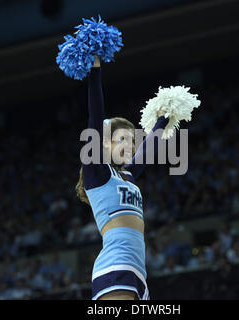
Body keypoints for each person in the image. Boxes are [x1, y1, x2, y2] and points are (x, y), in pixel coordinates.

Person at [75, 55, 169, 300]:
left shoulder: (127, 175)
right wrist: (95, 71)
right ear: (104, 143)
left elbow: (147, 150)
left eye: (131, 139)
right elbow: (95, 117)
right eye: (122, 139)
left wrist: (164, 117)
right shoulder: (97, 172)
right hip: (116, 266)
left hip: (139, 271)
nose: (129, 145)